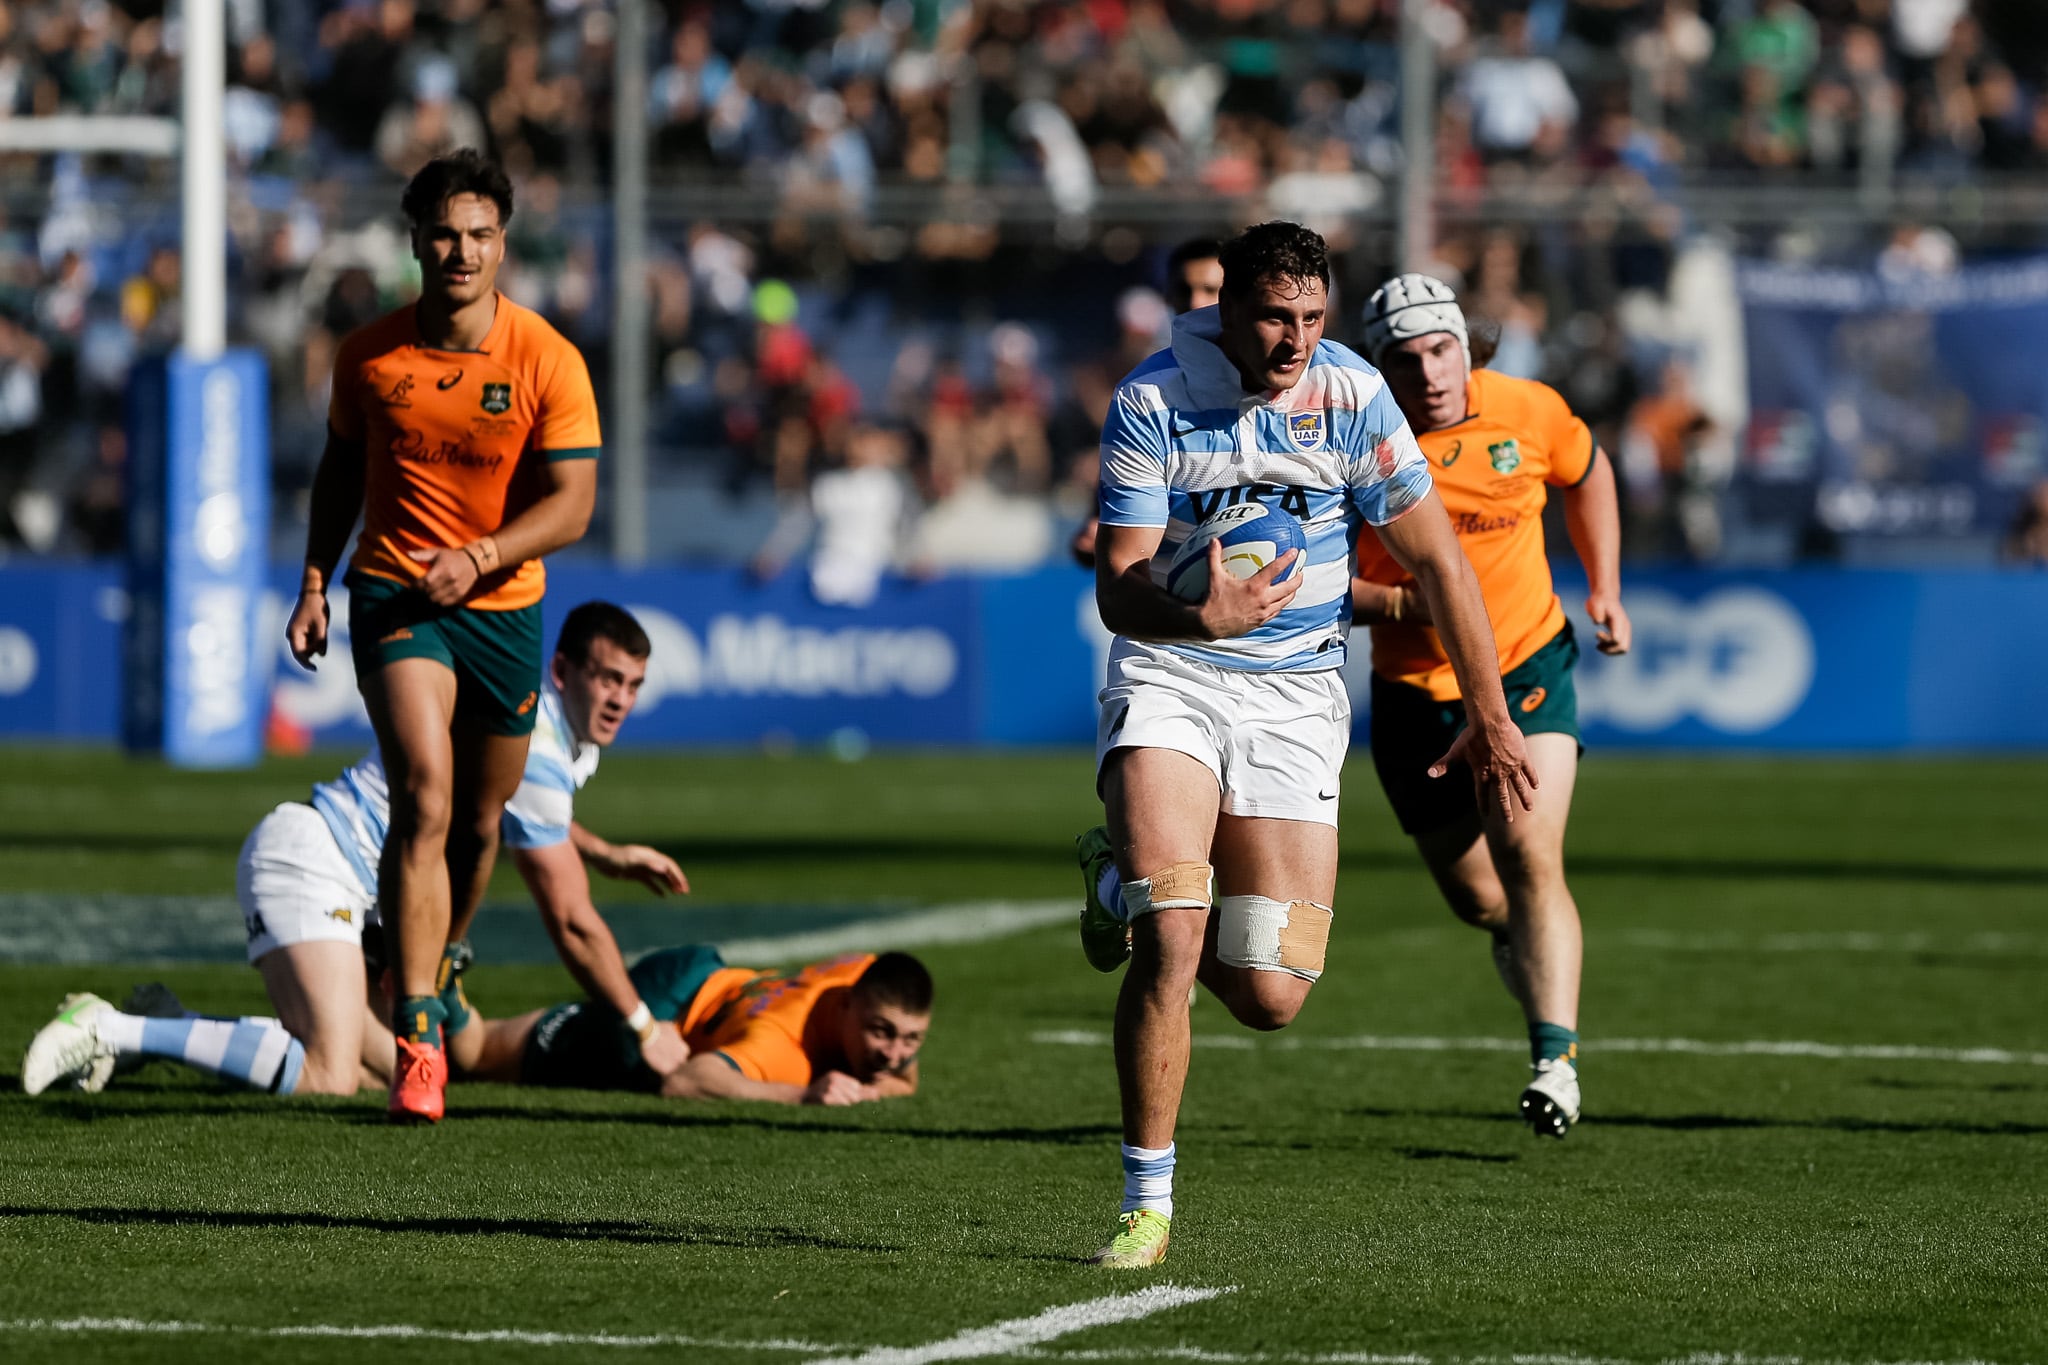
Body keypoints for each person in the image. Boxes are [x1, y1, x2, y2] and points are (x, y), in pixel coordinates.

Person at [1075, 223, 1535, 1269]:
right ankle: (1145, 1203)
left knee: (1271, 992)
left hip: (1293, 696)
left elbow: (1438, 563)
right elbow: (1118, 583)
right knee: (1174, 931)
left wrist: (1490, 711)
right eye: (1276, 319)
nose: (1295, 342)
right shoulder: (1151, 398)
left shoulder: (1350, 394)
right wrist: (1202, 618)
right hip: (1173, 675)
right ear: (1227, 308)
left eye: (1313, 320)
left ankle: (1113, 883)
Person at [22, 605, 686, 1101]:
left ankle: (166, 1021)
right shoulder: (539, 749)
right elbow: (572, 921)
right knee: (331, 1073)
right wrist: (644, 1028)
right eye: (606, 679)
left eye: (631, 684)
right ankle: (110, 1027)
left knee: (383, 1074)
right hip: (314, 863)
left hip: (352, 885)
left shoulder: (539, 730)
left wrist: (601, 850)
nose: (619, 699)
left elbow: (508, 804)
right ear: (563, 670)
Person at [284, 149, 602, 1123]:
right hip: (396, 596)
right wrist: (312, 581)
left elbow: (574, 505)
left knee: (478, 823)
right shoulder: (369, 356)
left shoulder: (547, 357)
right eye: (442, 235)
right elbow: (340, 474)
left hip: (503, 610)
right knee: (422, 794)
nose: (460, 253)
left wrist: (484, 554)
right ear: (414, 243)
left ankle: (437, 955)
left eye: (478, 235)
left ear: (502, 243)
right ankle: (420, 1031)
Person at [1351, 274, 1631, 1139]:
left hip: (1525, 666)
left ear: (1468, 343)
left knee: (1527, 850)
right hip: (1416, 695)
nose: (1430, 372)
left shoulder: (1530, 409)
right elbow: (1306, 583)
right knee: (1482, 899)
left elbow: (1588, 473)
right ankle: (1522, 937)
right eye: (1406, 358)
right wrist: (1404, 605)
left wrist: (1606, 586)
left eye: (1442, 349)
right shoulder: (1347, 445)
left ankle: (1555, 1058)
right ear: (1379, 368)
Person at [452, 946, 932, 1106]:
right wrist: (803, 1094)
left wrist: (875, 1087)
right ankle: (426, 977)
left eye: (911, 1038)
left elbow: (899, 1076)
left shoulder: (863, 972)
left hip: (708, 973)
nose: (893, 1053)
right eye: (881, 1032)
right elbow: (687, 1081)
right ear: (848, 1007)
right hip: (663, 1013)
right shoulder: (780, 1048)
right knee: (474, 1057)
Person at [1070, 238, 1225, 568]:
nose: (1197, 302)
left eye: (1211, 290)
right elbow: (1127, 452)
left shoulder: (1280, 373)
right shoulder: (1146, 387)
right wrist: (1099, 518)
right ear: (1168, 296)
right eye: (1185, 290)